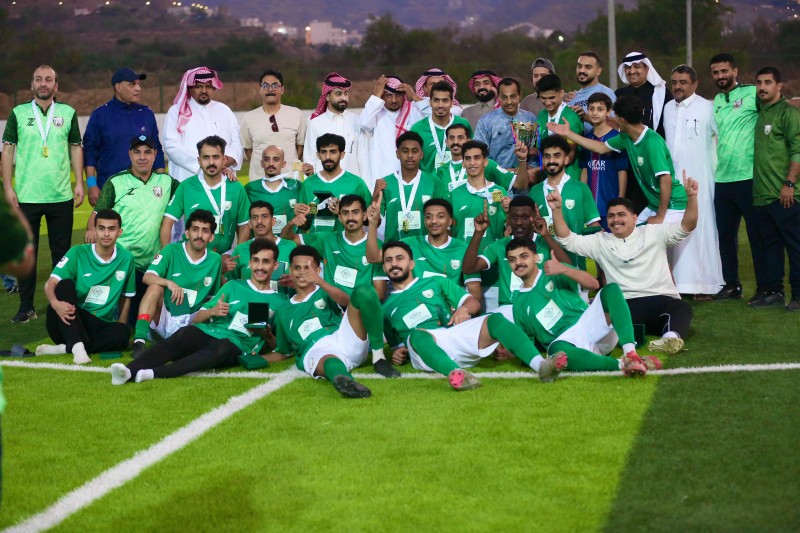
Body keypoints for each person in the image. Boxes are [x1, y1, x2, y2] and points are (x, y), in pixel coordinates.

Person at [380, 241, 563, 388]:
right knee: (417, 335)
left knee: (495, 319)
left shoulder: (435, 282)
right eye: (388, 260)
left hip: (452, 333)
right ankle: (457, 374)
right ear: (384, 267)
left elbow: (473, 303)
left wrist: (463, 309)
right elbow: (397, 348)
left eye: (399, 258)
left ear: (411, 263)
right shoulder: (384, 309)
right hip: (425, 347)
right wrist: (397, 353)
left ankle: (541, 365)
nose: (394, 264)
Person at [550, 175, 699, 355]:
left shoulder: (654, 233)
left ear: (634, 218)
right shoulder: (600, 241)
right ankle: (627, 338)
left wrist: (692, 197)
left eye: (621, 215)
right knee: (605, 315)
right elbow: (566, 239)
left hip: (660, 299)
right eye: (611, 216)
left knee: (682, 307)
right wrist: (556, 210)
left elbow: (687, 226)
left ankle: (670, 339)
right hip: (625, 305)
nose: (616, 220)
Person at [111, 238, 288, 384]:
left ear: (275, 265)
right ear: (250, 262)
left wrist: (266, 335)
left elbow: (281, 349)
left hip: (236, 344)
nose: (259, 266)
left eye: (266, 262)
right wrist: (213, 311)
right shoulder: (233, 286)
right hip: (209, 331)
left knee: (221, 348)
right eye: (256, 260)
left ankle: (153, 374)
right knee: (186, 333)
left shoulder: (280, 302)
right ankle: (129, 370)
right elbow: (197, 319)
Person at [2, 65, 84, 323]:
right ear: (32, 84)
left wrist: (79, 183)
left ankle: (59, 305)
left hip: (61, 195)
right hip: (26, 196)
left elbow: (76, 148)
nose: (43, 83)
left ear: (56, 85)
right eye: (38, 79)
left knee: (61, 256)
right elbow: (8, 150)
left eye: (48, 79)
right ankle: (26, 307)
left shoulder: (68, 113)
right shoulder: (18, 113)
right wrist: (8, 187)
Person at [506, 238, 658, 376]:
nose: (518, 262)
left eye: (524, 256)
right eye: (512, 260)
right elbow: (527, 344)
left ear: (536, 257)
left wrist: (563, 269)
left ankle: (631, 353)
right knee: (555, 350)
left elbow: (593, 284)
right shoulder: (518, 305)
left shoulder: (555, 270)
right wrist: (510, 351)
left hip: (588, 323)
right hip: (566, 342)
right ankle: (622, 364)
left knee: (611, 289)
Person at [266, 245, 397, 397]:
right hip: (315, 349)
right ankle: (347, 382)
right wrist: (257, 355)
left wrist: (321, 282)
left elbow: (346, 301)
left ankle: (379, 357)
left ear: (317, 270)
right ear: (290, 270)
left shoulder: (327, 291)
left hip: (343, 337)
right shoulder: (283, 310)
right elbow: (283, 351)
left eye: (307, 268)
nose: (302, 272)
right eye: (297, 268)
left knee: (364, 291)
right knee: (329, 361)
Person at [548, 95, 687, 228]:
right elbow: (600, 147)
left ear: (623, 121)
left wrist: (660, 216)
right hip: (655, 204)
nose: (614, 119)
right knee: (630, 233)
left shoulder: (652, 142)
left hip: (673, 204)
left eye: (616, 117)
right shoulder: (626, 137)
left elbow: (665, 178)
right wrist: (568, 133)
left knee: (647, 239)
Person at [87, 135, 179, 324]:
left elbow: (193, 189)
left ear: (155, 154)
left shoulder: (167, 182)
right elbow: (95, 216)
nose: (142, 157)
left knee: (152, 319)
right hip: (123, 262)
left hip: (153, 264)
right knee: (124, 320)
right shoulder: (116, 182)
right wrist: (91, 231)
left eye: (147, 152)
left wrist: (222, 172)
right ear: (130, 154)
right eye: (137, 152)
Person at [36, 209, 135, 364]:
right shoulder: (77, 252)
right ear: (94, 231)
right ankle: (78, 348)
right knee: (64, 285)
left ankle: (66, 348)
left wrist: (121, 328)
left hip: (98, 325)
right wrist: (56, 304)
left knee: (123, 332)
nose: (106, 234)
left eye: (111, 229)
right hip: (66, 319)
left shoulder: (127, 259)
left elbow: (126, 297)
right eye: (101, 228)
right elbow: (51, 283)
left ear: (119, 232)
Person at [664, 64, 724, 297]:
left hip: (701, 178)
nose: (678, 86)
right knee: (675, 229)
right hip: (673, 181)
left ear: (695, 84)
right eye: (674, 82)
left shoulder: (707, 107)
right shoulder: (668, 108)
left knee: (702, 229)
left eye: (683, 82)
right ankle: (676, 284)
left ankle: (704, 285)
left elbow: (722, 137)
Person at [462, 195, 571, 321]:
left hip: (539, 305)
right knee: (483, 326)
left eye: (524, 217)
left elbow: (569, 268)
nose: (519, 222)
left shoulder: (544, 243)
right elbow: (469, 268)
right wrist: (478, 232)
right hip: (508, 308)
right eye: (514, 217)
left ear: (534, 218)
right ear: (508, 219)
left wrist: (546, 236)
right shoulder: (501, 245)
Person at [131, 209, 222, 358]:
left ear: (211, 237)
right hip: (165, 316)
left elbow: (212, 298)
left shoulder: (215, 259)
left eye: (205, 231)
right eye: (195, 229)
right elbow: (147, 277)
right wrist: (169, 283)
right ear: (187, 233)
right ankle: (139, 341)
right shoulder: (171, 250)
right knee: (155, 287)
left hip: (192, 321)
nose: (199, 235)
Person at [709, 53, 762, 301]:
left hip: (748, 177)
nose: (720, 76)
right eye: (716, 72)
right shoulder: (716, 101)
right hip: (722, 180)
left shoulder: (752, 93)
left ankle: (765, 287)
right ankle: (732, 285)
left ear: (735, 71)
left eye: (724, 71)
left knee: (756, 236)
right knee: (725, 237)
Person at [751, 67, 800, 310]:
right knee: (770, 247)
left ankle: (798, 296)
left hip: (785, 195)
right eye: (759, 82)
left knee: (795, 246)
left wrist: (789, 183)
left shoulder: (788, 113)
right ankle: (775, 293)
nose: (762, 87)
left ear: (778, 86)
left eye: (768, 82)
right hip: (762, 195)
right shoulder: (761, 111)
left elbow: (798, 150)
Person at [367, 198, 482, 302]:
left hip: (448, 310)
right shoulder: (410, 243)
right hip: (413, 307)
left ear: (450, 221)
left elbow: (475, 292)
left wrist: (461, 309)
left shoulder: (464, 249)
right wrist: (372, 224)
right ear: (424, 221)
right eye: (428, 217)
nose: (434, 221)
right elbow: (373, 258)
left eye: (440, 216)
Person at [84, 68, 165, 206]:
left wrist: (161, 181)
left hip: (144, 190)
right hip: (110, 189)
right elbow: (89, 152)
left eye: (139, 84)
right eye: (132, 84)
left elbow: (157, 149)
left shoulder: (146, 113)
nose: (138, 88)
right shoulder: (100, 115)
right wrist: (92, 185)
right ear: (118, 87)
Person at [283, 194, 387, 298]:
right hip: (330, 306)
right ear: (340, 217)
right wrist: (291, 223)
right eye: (345, 213)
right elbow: (286, 239)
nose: (350, 217)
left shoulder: (376, 246)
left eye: (355, 212)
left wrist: (352, 305)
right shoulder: (326, 239)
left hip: (360, 305)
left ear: (364, 216)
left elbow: (379, 294)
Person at [161, 135, 250, 257]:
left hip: (224, 257)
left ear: (224, 160)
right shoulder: (186, 187)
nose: (211, 162)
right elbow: (167, 221)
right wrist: (165, 255)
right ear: (199, 161)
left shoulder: (236, 188)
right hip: (190, 257)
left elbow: (244, 226)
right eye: (206, 157)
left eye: (216, 157)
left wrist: (237, 257)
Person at [449, 140, 509, 312]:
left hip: (494, 274)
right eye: (468, 158)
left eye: (477, 158)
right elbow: (451, 233)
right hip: (463, 274)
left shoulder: (500, 192)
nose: (472, 162)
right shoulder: (455, 194)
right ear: (463, 163)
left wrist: (509, 212)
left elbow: (507, 231)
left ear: (485, 161)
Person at [529, 135, 601, 272]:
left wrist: (600, 270)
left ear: (566, 159)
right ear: (542, 160)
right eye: (547, 156)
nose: (551, 161)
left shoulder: (580, 188)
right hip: (543, 265)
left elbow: (594, 228)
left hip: (575, 263)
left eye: (557, 156)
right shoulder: (534, 191)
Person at [163, 67, 242, 184]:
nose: (204, 90)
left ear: (214, 88)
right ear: (190, 89)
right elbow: (172, 147)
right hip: (188, 179)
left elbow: (237, 142)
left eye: (208, 86)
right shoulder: (176, 112)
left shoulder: (224, 110)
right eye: (199, 86)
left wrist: (223, 163)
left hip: (223, 178)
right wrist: (207, 165)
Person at [359, 75, 432, 187]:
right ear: (383, 96)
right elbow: (364, 123)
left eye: (398, 95)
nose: (394, 100)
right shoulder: (376, 112)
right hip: (383, 176)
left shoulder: (413, 110)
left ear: (403, 95)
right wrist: (377, 95)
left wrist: (413, 96)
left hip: (411, 177)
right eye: (389, 95)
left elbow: (435, 118)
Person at [373, 131, 445, 242]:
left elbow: (443, 221)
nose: (410, 155)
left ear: (421, 154)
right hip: (393, 248)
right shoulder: (385, 183)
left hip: (425, 248)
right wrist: (375, 196)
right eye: (405, 151)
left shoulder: (434, 182)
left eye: (414, 151)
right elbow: (375, 223)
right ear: (397, 154)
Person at [293, 134, 371, 234]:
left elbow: (372, 221)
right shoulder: (308, 183)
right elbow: (306, 225)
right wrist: (299, 216)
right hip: (315, 242)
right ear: (318, 155)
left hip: (344, 243)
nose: (328, 157)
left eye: (333, 152)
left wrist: (343, 212)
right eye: (323, 152)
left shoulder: (356, 183)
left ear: (342, 154)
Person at [240, 69, 307, 182]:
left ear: (282, 89)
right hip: (259, 182)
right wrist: (263, 168)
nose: (270, 89)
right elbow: (248, 149)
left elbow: (300, 147)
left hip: (290, 181)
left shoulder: (296, 114)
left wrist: (288, 167)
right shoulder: (249, 118)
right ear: (260, 90)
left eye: (275, 85)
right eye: (265, 85)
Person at [303, 72, 368, 182]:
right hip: (324, 184)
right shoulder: (315, 123)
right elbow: (309, 158)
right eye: (338, 94)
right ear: (327, 96)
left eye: (346, 94)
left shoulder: (357, 121)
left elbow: (363, 158)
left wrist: (365, 186)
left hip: (351, 184)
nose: (343, 98)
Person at [579, 92, 628, 230]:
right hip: (590, 207)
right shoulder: (585, 139)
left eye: (600, 109)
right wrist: (582, 197)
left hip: (610, 201)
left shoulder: (617, 138)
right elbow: (584, 170)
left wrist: (620, 199)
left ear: (608, 112)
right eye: (591, 109)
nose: (595, 113)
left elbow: (622, 171)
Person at [435, 123, 529, 194]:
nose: (455, 142)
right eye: (451, 138)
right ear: (446, 142)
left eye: (460, 138)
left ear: (468, 140)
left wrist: (522, 160)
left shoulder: (486, 164)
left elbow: (521, 184)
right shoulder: (440, 171)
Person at [227, 201, 296, 291]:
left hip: (282, 299)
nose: (259, 221)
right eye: (255, 217)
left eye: (264, 216)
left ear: (273, 221)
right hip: (249, 299)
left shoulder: (290, 247)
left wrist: (295, 281)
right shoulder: (240, 250)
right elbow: (231, 282)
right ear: (250, 223)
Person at [475, 77, 538, 170]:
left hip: (525, 175)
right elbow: (478, 154)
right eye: (504, 97)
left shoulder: (529, 118)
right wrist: (501, 172)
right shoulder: (486, 122)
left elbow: (534, 152)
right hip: (495, 176)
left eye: (513, 96)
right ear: (499, 97)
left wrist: (529, 169)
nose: (509, 102)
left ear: (520, 95)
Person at [409, 81, 470, 173]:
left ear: (452, 103)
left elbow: (472, 152)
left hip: (459, 180)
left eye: (445, 100)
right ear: (430, 102)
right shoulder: (417, 129)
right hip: (429, 181)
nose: (440, 105)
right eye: (436, 100)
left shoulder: (463, 124)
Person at [244, 145, 302, 236]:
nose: (271, 164)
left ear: (283, 164)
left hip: (290, 242)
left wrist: (311, 175)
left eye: (276, 159)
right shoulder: (250, 189)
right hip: (261, 242)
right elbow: (243, 221)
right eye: (267, 159)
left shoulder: (296, 186)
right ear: (262, 163)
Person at [535, 74, 583, 180]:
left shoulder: (571, 117)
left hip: (569, 177)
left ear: (561, 93)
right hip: (547, 177)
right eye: (543, 98)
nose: (547, 102)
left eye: (552, 98)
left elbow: (570, 155)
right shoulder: (541, 116)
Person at [615, 52, 673, 137]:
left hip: (653, 142)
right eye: (628, 67)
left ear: (646, 69)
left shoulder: (662, 93)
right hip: (625, 143)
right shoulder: (619, 94)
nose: (632, 71)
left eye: (637, 67)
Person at [565, 51, 617, 130]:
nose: (582, 70)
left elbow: (615, 125)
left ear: (598, 71)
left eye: (588, 67)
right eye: (579, 66)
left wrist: (586, 117)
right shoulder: (572, 98)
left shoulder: (606, 93)